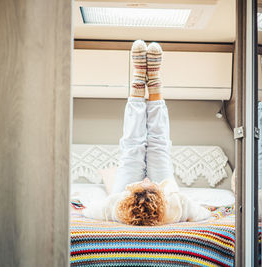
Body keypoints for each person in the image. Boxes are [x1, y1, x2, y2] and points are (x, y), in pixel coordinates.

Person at [83, 40, 211, 226]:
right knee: (158, 147)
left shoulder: (118, 206)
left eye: (141, 183)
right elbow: (203, 214)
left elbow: (89, 211)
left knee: (132, 148)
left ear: (130, 194)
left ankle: (138, 81)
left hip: (126, 194)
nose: (146, 178)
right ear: (160, 195)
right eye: (149, 183)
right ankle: (154, 82)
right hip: (162, 194)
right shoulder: (174, 206)